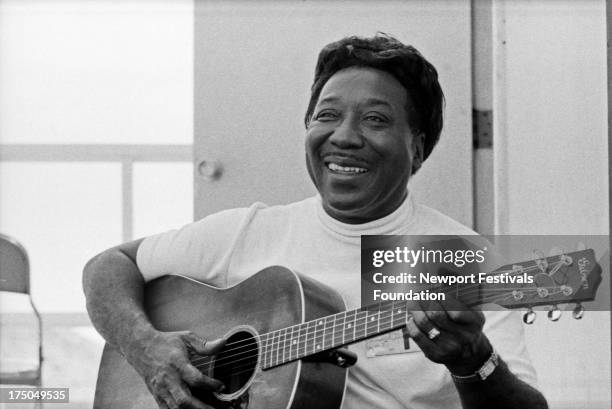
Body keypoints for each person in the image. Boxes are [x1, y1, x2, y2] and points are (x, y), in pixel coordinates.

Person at [83, 34, 548, 409]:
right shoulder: (247, 232)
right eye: (327, 116)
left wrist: (473, 362)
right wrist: (143, 346)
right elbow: (107, 266)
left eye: (375, 119)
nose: (344, 137)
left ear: (418, 149)